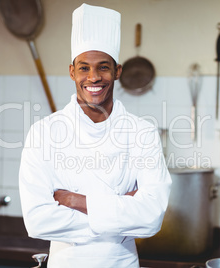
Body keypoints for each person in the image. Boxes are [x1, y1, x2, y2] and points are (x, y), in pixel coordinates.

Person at [19, 3, 172, 267]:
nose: (94, 77)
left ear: (117, 71)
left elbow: (151, 217)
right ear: (71, 72)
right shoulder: (44, 133)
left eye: (103, 67)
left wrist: (75, 201)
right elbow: (37, 220)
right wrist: (120, 210)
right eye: (84, 68)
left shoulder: (142, 133)